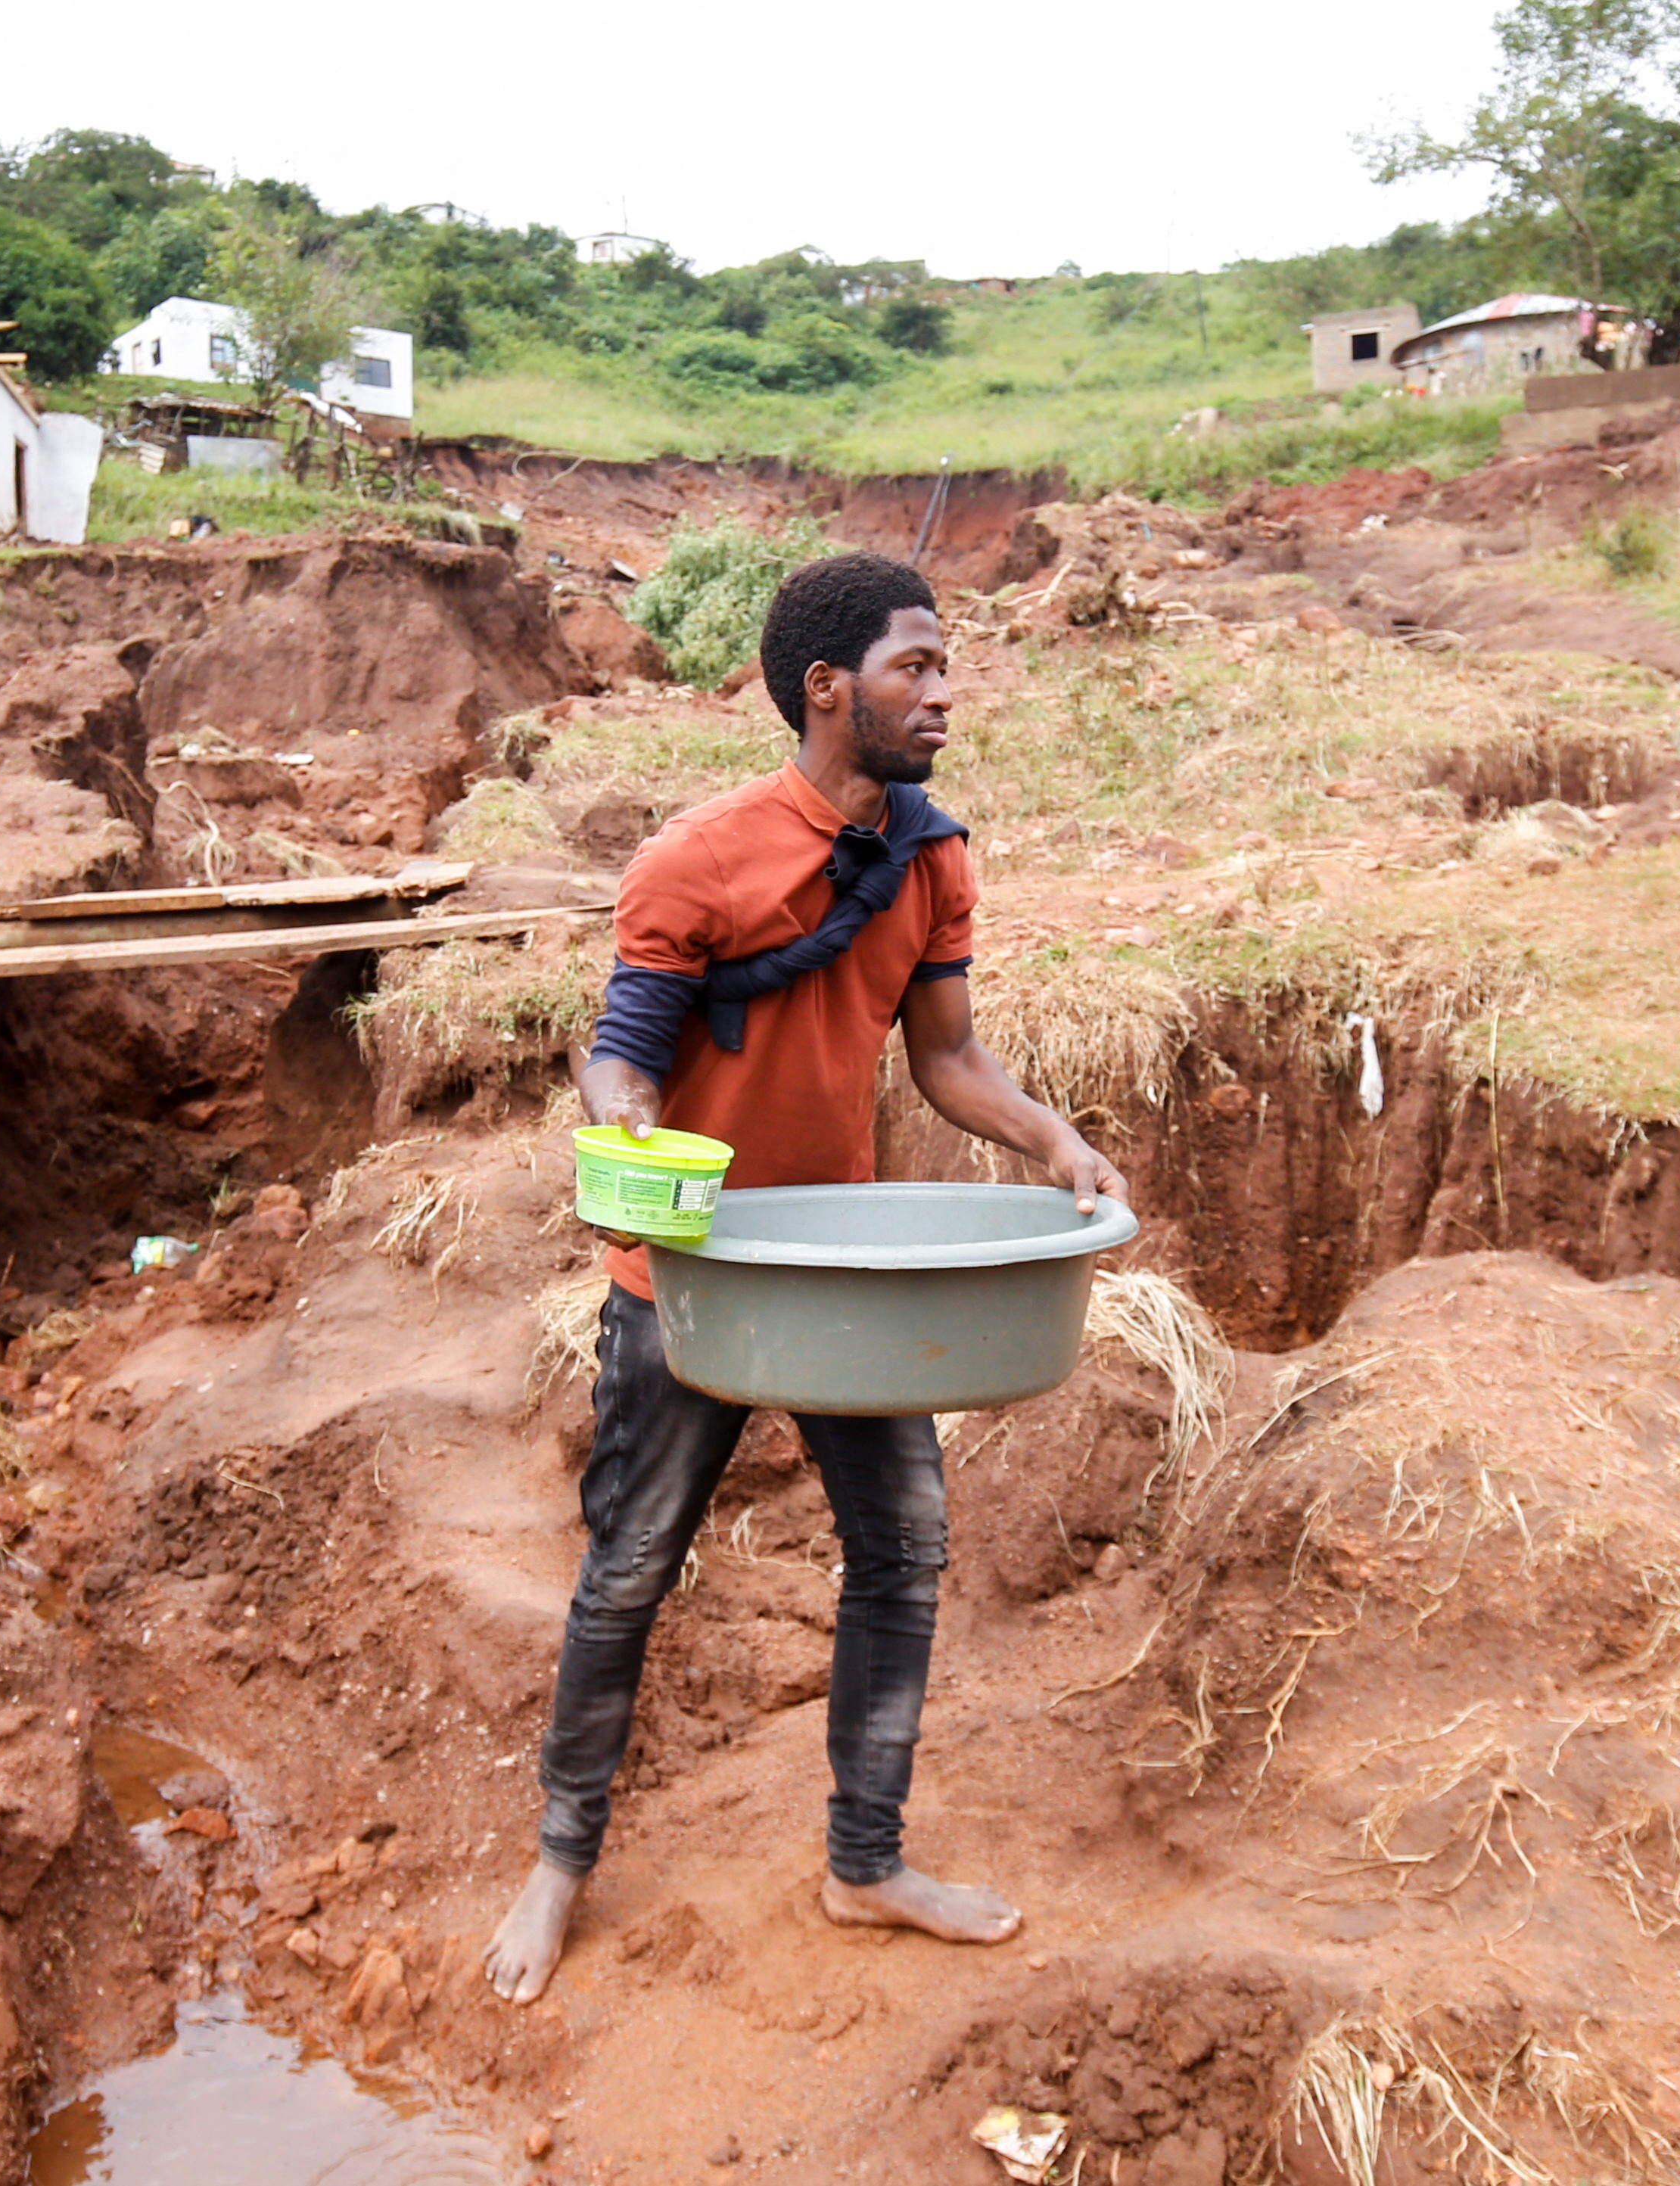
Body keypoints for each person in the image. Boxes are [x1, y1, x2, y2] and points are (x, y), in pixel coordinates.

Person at [484, 549, 1129, 2005]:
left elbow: (949, 1060)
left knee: (900, 1554)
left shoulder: (933, 856)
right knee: (631, 1569)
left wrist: (1056, 1142)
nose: (947, 690)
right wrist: (622, 1124)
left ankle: (865, 1861)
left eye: (947, 662)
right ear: (828, 687)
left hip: (842, 1276)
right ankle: (560, 1862)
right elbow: (626, 1047)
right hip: (694, 1282)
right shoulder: (699, 859)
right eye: (917, 665)